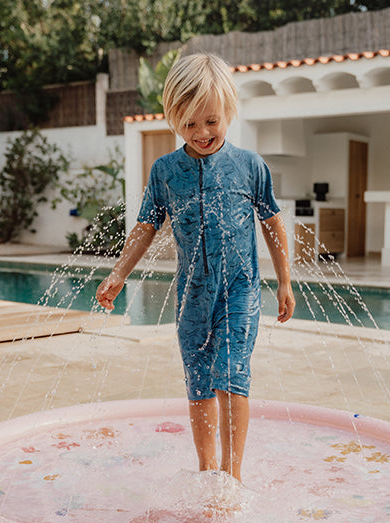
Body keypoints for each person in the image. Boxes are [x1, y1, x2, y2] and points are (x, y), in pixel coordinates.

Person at [96, 53, 295, 483]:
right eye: (189, 124)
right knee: (200, 382)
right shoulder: (166, 172)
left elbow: (273, 224)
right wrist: (118, 273)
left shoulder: (250, 167)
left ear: (228, 112)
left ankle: (233, 474)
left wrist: (284, 282)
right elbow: (146, 227)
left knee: (231, 375)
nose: (202, 133)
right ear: (173, 120)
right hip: (192, 297)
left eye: (211, 121)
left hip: (240, 291)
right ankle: (207, 472)